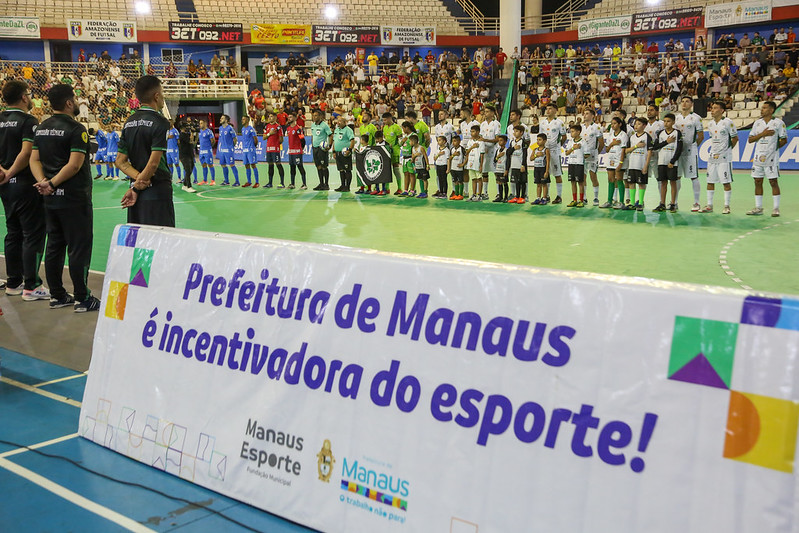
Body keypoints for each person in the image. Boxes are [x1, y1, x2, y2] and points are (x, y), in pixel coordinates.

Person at [29, 84, 99, 312]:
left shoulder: (41, 128)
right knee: (78, 247)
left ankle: (57, 295)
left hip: (50, 199)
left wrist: (44, 183)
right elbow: (75, 165)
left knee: (54, 246)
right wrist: (51, 183)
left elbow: (34, 160)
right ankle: (82, 297)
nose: (78, 102)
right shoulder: (76, 129)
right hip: (74, 198)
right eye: (75, 99)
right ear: (69, 103)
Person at [0, 79, 48, 301]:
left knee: (13, 232)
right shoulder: (28, 120)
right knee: (32, 233)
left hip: (4, 186)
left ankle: (13, 282)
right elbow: (26, 152)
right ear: (24, 97)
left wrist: (2, 173)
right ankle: (31, 285)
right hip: (23, 184)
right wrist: (10, 172)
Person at [116, 75, 175, 227]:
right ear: (156, 96)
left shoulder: (129, 122)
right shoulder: (161, 122)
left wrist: (136, 182)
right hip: (157, 191)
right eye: (162, 93)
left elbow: (120, 161)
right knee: (161, 240)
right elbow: (154, 163)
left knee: (138, 241)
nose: (163, 97)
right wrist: (140, 183)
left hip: (136, 191)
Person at [747, 101, 787, 217]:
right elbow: (750, 140)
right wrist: (762, 134)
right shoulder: (757, 123)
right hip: (758, 157)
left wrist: (773, 149)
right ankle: (758, 208)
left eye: (764, 108)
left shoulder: (779, 123)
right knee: (757, 181)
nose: (762, 110)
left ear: (771, 110)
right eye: (762, 108)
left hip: (771, 158)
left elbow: (784, 140)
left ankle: (776, 208)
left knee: (773, 181)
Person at [701, 101, 737, 214]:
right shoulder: (710, 124)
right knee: (710, 181)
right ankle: (709, 205)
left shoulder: (728, 122)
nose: (712, 110)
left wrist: (727, 150)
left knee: (726, 182)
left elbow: (734, 138)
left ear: (722, 110)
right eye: (712, 108)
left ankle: (727, 206)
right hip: (712, 157)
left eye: (715, 108)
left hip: (724, 158)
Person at [674, 96, 704, 212]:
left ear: (691, 104)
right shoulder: (677, 118)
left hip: (690, 151)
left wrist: (693, 146)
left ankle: (696, 203)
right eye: (682, 101)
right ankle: (674, 202)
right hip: (678, 151)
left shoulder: (696, 118)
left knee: (694, 176)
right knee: (676, 177)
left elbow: (701, 136)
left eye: (687, 101)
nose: (684, 104)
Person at [652, 113, 683, 213]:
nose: (666, 123)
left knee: (673, 183)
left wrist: (673, 161)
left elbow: (679, 148)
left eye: (668, 121)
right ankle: (662, 203)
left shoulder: (677, 133)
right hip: (661, 162)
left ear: (673, 122)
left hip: (672, 163)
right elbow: (655, 147)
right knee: (663, 183)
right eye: (664, 121)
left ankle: (673, 203)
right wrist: (667, 142)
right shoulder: (660, 133)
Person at [539, 103, 566, 203]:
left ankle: (559, 196)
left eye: (550, 109)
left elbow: (564, 137)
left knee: (557, 174)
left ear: (555, 110)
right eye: (547, 108)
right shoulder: (542, 123)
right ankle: (547, 195)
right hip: (544, 151)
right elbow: (540, 137)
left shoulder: (559, 123)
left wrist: (557, 146)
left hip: (555, 152)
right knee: (546, 173)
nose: (548, 110)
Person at [625, 117, 653, 212]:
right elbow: (626, 150)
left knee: (641, 184)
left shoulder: (647, 137)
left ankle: (640, 203)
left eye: (639, 124)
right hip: (632, 165)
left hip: (641, 165)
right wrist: (636, 146)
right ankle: (632, 203)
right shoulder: (632, 137)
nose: (636, 126)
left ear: (644, 126)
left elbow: (649, 152)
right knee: (631, 183)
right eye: (635, 124)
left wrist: (646, 165)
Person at [601, 117, 628, 209]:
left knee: (619, 180)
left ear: (620, 124)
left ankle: (621, 202)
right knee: (610, 180)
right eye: (611, 124)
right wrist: (612, 143)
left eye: (615, 123)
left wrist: (621, 163)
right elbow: (607, 149)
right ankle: (609, 201)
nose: (612, 125)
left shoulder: (623, 135)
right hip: (610, 160)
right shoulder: (610, 135)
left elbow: (623, 149)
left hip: (618, 160)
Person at [479, 106, 501, 201]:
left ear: (492, 113)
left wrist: (486, 140)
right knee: (484, 172)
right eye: (485, 111)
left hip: (494, 150)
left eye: (487, 112)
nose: (485, 113)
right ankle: (485, 192)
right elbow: (480, 138)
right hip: (485, 150)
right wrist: (483, 145)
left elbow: (497, 139)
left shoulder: (496, 124)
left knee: (496, 172)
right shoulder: (482, 124)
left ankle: (498, 193)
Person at [381, 112, 403, 194]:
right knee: (387, 169)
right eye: (383, 120)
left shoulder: (397, 127)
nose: (384, 121)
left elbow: (400, 140)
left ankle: (400, 188)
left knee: (396, 169)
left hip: (395, 151)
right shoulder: (384, 127)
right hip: (387, 151)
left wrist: (395, 145)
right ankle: (387, 188)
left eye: (385, 120)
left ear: (390, 118)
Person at [331, 116, 355, 192]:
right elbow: (335, 141)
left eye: (340, 121)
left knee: (347, 170)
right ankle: (342, 185)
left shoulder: (348, 130)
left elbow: (352, 140)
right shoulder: (336, 130)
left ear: (345, 122)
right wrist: (334, 151)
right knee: (341, 170)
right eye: (338, 121)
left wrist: (350, 150)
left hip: (345, 153)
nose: (338, 122)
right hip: (338, 153)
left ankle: (347, 187)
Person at [311, 109, 333, 191]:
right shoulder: (313, 125)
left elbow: (330, 135)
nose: (314, 117)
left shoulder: (324, 125)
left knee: (324, 166)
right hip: (315, 148)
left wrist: (329, 146)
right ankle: (321, 183)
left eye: (316, 115)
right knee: (318, 166)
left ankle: (326, 184)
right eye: (313, 115)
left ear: (320, 116)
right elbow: (313, 136)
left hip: (322, 149)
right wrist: (312, 144)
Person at [564, 125, 585, 207]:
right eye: (570, 131)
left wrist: (581, 158)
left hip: (579, 164)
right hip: (571, 163)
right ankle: (574, 200)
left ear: (578, 132)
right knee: (572, 182)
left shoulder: (583, 142)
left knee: (580, 182)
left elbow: (587, 154)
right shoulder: (570, 142)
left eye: (573, 131)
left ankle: (581, 200)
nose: (571, 133)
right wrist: (573, 148)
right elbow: (566, 153)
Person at [506, 126, 528, 204]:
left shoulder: (523, 142)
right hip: (513, 165)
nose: (515, 133)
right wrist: (514, 148)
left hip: (520, 165)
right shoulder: (512, 142)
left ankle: (523, 197)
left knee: (523, 182)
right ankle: (517, 196)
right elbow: (508, 152)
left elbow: (525, 154)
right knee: (516, 182)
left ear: (521, 132)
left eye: (517, 131)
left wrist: (523, 165)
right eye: (514, 131)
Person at [263, 112, 285, 188]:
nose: (270, 118)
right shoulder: (267, 126)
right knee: (270, 166)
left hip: (275, 149)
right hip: (268, 149)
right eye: (269, 116)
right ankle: (270, 183)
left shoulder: (278, 127)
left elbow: (281, 139)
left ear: (275, 117)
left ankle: (282, 183)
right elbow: (264, 137)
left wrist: (276, 144)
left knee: (278, 165)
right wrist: (270, 133)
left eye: (271, 116)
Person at [217, 114, 240, 186]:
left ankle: (237, 181)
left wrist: (231, 147)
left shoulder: (230, 128)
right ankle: (226, 181)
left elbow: (235, 139)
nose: (220, 119)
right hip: (222, 151)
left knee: (232, 165)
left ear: (226, 120)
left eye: (222, 118)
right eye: (221, 118)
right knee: (223, 165)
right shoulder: (220, 128)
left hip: (229, 150)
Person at [464, 125, 485, 201]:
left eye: (473, 131)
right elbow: (466, 152)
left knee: (479, 178)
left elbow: (482, 154)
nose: (472, 133)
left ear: (478, 132)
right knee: (473, 179)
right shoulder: (470, 141)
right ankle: (474, 194)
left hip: (477, 163)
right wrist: (472, 147)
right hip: (470, 163)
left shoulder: (481, 142)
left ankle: (479, 195)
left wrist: (481, 165)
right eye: (471, 131)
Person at [285, 113, 306, 189]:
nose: (289, 118)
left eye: (290, 117)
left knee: (300, 166)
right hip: (291, 151)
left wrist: (301, 149)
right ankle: (292, 184)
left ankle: (304, 184)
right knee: (292, 167)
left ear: (294, 118)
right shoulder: (288, 128)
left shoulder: (298, 129)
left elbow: (303, 140)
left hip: (297, 152)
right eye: (288, 117)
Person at [529, 133, 551, 205]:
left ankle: (544, 198)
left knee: (544, 184)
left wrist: (547, 171)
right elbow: (531, 158)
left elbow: (548, 161)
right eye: (537, 140)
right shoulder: (535, 150)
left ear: (544, 141)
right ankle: (538, 198)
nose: (538, 141)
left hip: (543, 168)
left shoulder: (546, 150)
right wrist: (536, 155)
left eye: (540, 140)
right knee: (538, 184)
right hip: (536, 168)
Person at [177, 118, 197, 193]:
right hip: (184, 155)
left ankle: (185, 184)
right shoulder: (182, 135)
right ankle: (189, 186)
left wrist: (195, 133)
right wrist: (192, 132)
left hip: (189, 154)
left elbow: (193, 142)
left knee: (191, 168)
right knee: (188, 170)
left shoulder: (186, 134)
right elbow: (190, 140)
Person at [240, 116, 260, 188]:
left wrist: (253, 147)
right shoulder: (242, 129)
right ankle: (249, 181)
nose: (242, 120)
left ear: (247, 120)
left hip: (250, 150)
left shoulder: (251, 129)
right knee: (246, 165)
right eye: (242, 119)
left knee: (253, 165)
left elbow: (256, 139)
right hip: (245, 150)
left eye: (243, 119)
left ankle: (257, 182)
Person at [410, 133, 430, 198]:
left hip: (423, 166)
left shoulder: (421, 148)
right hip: (417, 166)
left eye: (410, 141)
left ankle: (425, 192)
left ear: (414, 141)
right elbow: (412, 158)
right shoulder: (413, 149)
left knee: (424, 179)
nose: (409, 143)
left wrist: (427, 165)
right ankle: (421, 192)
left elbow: (425, 156)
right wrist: (414, 165)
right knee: (420, 179)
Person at [197, 119, 216, 185]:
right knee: (203, 165)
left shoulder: (209, 131)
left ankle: (213, 180)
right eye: (200, 123)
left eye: (201, 123)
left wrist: (209, 147)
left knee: (210, 165)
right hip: (201, 151)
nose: (200, 125)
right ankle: (205, 180)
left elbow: (213, 141)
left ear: (205, 123)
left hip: (207, 151)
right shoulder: (199, 132)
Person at [448, 135, 466, 200]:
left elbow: (467, 157)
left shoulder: (462, 149)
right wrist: (453, 155)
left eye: (455, 141)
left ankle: (460, 194)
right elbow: (449, 158)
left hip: (460, 169)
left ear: (459, 141)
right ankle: (456, 194)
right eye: (452, 141)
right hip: (453, 168)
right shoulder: (452, 149)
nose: (453, 143)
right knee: (455, 181)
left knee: (460, 181)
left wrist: (463, 164)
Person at [492, 135, 508, 202]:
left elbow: (508, 161)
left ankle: (506, 197)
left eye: (501, 140)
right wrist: (498, 157)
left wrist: (506, 170)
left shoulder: (507, 150)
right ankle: (500, 196)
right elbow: (494, 160)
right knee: (499, 183)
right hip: (498, 169)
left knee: (504, 183)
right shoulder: (497, 150)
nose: (499, 142)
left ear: (505, 142)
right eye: (498, 141)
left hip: (503, 169)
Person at [166, 119, 183, 183]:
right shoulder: (167, 131)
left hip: (174, 150)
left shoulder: (175, 131)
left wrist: (179, 150)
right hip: (168, 150)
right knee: (169, 164)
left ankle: (179, 178)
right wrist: (168, 137)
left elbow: (179, 141)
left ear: (172, 123)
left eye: (170, 122)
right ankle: (171, 178)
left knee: (176, 164)